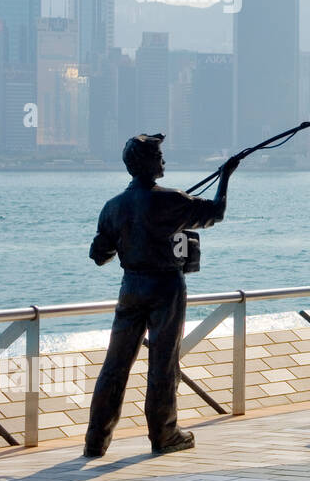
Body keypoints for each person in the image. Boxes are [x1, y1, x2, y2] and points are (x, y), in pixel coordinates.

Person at [83, 134, 239, 457]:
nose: (163, 161)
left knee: (115, 363)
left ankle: (96, 439)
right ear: (147, 163)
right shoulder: (171, 200)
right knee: (163, 364)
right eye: (159, 155)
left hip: (131, 288)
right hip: (165, 289)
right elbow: (215, 212)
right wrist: (225, 176)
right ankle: (164, 433)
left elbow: (101, 255)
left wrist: (112, 242)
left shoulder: (113, 207)